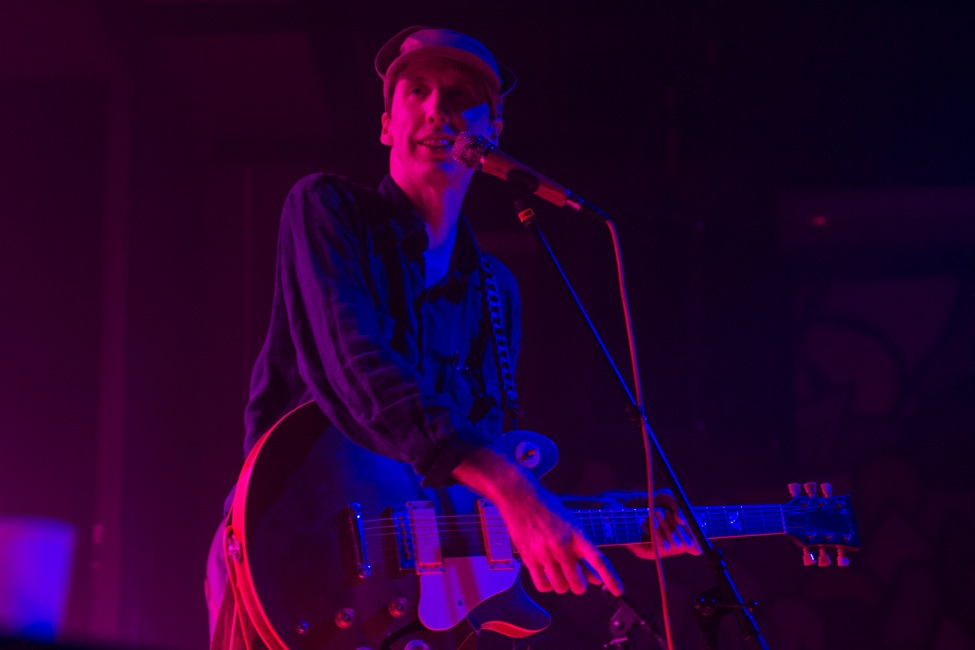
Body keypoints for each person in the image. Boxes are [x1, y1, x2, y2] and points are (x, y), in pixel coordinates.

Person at [206, 26, 698, 649]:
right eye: (417, 91)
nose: (437, 108)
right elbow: (358, 371)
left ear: (491, 133)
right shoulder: (326, 211)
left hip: (409, 599)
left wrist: (613, 518)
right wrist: (515, 490)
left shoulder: (496, 291)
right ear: (387, 124)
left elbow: (479, 464)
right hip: (288, 551)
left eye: (461, 95)